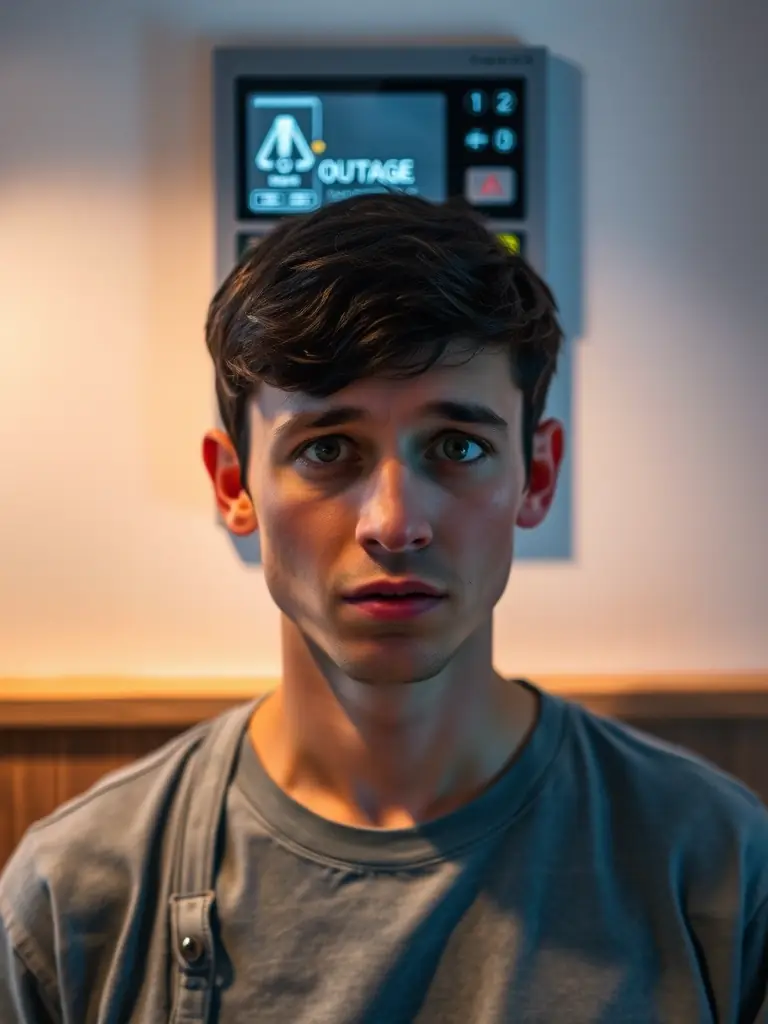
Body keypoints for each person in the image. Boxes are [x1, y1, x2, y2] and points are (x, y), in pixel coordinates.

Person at [1, 193, 767, 1023]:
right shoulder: (73, 897)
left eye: (458, 447)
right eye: (327, 450)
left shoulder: (717, 867)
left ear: (536, 477)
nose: (395, 524)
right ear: (234, 485)